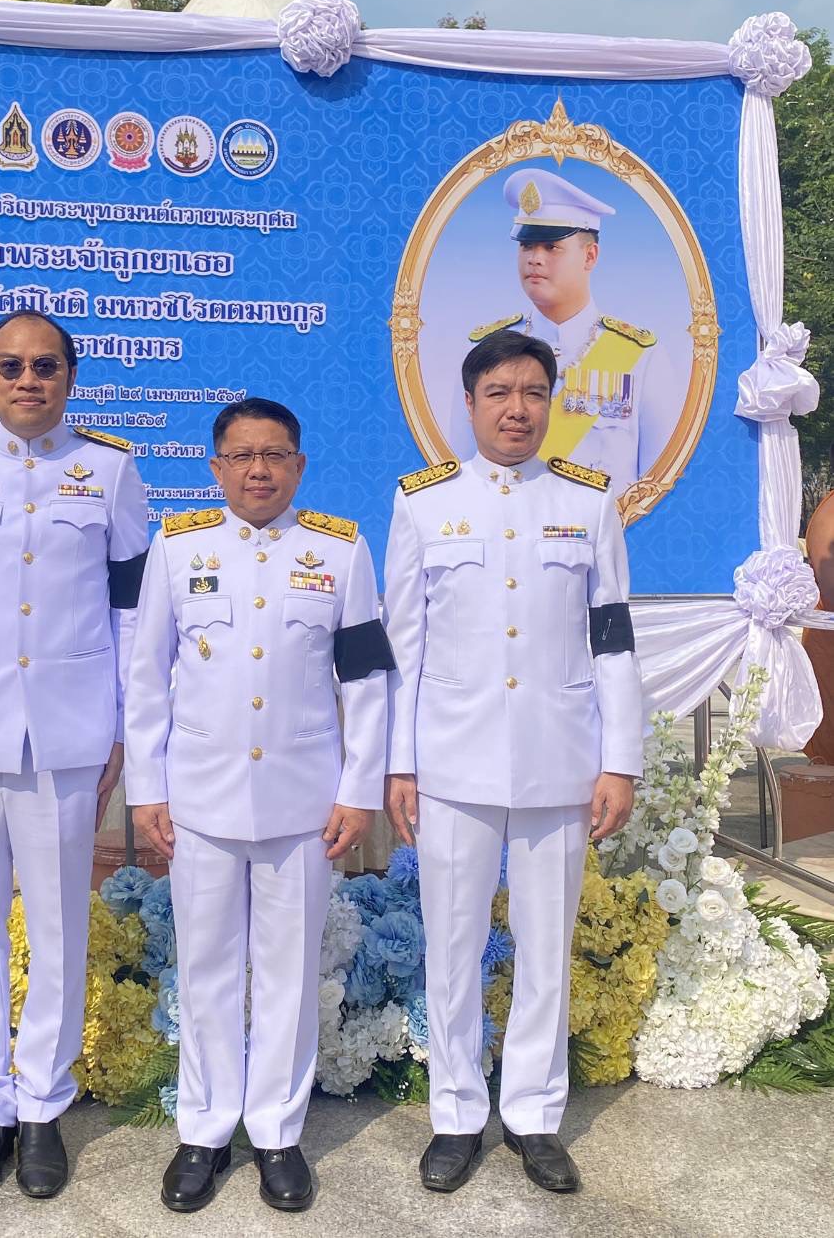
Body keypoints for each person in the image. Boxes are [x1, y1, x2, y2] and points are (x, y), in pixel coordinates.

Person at [384, 329, 642, 1196]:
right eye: (498, 391)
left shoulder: (590, 503)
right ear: (470, 401)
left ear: (552, 400)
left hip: (558, 759)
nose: (517, 408)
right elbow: (403, 650)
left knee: (545, 945)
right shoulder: (423, 504)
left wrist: (622, 759)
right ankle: (455, 1113)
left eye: (533, 391)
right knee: (452, 947)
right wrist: (398, 763)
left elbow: (613, 641)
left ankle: (533, 1113)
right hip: (451, 761)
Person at [125, 397, 393, 1214]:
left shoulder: (340, 553)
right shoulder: (177, 548)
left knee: (287, 973)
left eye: (275, 454)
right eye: (241, 455)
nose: (258, 470)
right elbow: (144, 679)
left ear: (299, 466)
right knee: (204, 967)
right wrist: (147, 789)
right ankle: (203, 1131)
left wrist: (359, 788)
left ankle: (277, 1130)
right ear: (215, 467)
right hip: (201, 800)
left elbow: (368, 679)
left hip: (304, 803)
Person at [0, 310, 148, 1203]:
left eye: (46, 365)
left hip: (67, 733)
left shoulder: (113, 471)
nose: (28, 380)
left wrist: (121, 724)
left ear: (70, 375)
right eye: (12, 365)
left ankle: (43, 1099)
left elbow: (132, 609)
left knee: (56, 922)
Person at [448, 167, 678, 495]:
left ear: (590, 256)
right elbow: (461, 473)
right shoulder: (484, 349)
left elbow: (658, 486)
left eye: (551, 247)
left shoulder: (640, 357)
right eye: (526, 246)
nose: (534, 259)